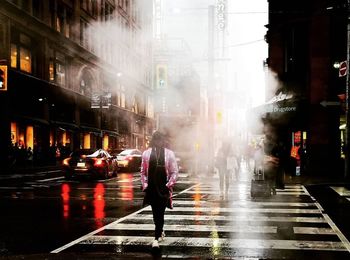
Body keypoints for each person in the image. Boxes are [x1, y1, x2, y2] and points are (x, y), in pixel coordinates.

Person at [140, 131, 178, 248]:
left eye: (160, 140)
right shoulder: (146, 154)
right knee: (155, 213)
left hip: (163, 189)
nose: (159, 142)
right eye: (156, 140)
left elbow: (174, 172)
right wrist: (145, 184)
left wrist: (168, 184)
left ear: (163, 141)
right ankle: (160, 230)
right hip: (151, 188)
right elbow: (143, 172)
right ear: (154, 140)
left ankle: (156, 238)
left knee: (160, 213)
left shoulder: (169, 154)